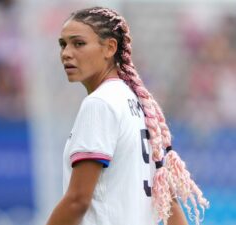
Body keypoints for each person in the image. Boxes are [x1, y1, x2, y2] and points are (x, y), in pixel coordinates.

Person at [46, 6, 209, 225]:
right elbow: (170, 204)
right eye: (63, 44)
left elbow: (77, 200)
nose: (66, 52)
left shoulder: (99, 103)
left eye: (79, 43)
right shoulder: (141, 105)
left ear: (110, 48)